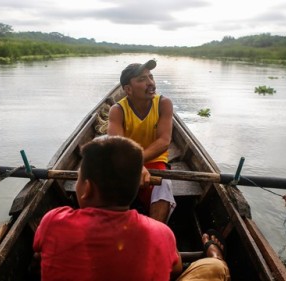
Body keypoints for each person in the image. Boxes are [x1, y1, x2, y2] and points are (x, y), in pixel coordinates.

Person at [32, 136, 230, 281]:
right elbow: (175, 270)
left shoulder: (53, 220)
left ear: (87, 189)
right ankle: (215, 256)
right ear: (136, 190)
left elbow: (39, 251)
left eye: (78, 179)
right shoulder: (162, 234)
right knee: (213, 268)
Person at [107, 59, 175, 223]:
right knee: (110, 185)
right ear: (128, 89)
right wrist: (133, 165)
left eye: (151, 77)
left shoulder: (163, 104)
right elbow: (118, 147)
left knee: (164, 184)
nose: (150, 83)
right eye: (142, 80)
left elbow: (164, 141)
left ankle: (155, 232)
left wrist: (137, 162)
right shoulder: (118, 110)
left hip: (153, 160)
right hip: (126, 161)